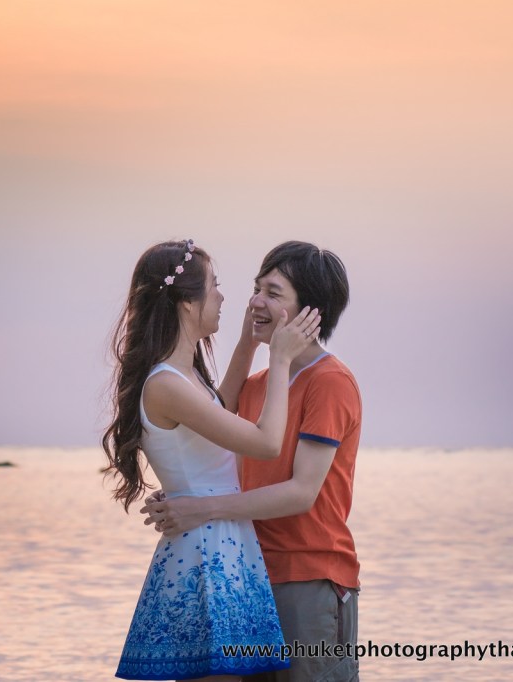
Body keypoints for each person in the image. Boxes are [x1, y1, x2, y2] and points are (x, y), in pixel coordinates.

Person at [141, 241, 362, 682]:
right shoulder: (263, 384)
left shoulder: (330, 383)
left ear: (308, 314)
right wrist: (186, 493)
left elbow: (302, 493)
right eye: (256, 288)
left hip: (308, 578)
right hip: (248, 577)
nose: (255, 301)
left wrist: (200, 508)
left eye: (273, 293)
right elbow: (213, 440)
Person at [103, 239, 321, 681]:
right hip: (205, 554)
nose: (224, 297)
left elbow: (220, 407)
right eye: (214, 286)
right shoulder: (166, 384)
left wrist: (248, 343)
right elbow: (264, 442)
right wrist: (279, 358)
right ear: (187, 302)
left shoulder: (183, 378)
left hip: (218, 542)